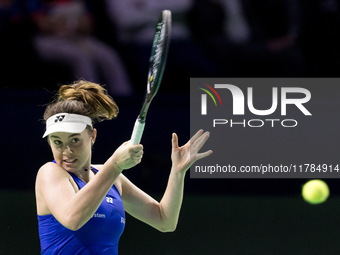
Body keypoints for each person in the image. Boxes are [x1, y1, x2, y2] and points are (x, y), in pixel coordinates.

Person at [35, 80, 212, 254]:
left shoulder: (113, 179)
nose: (67, 151)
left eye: (75, 140)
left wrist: (178, 171)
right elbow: (73, 218)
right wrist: (114, 165)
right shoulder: (49, 173)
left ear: (92, 136)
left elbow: (164, 220)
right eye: (57, 142)